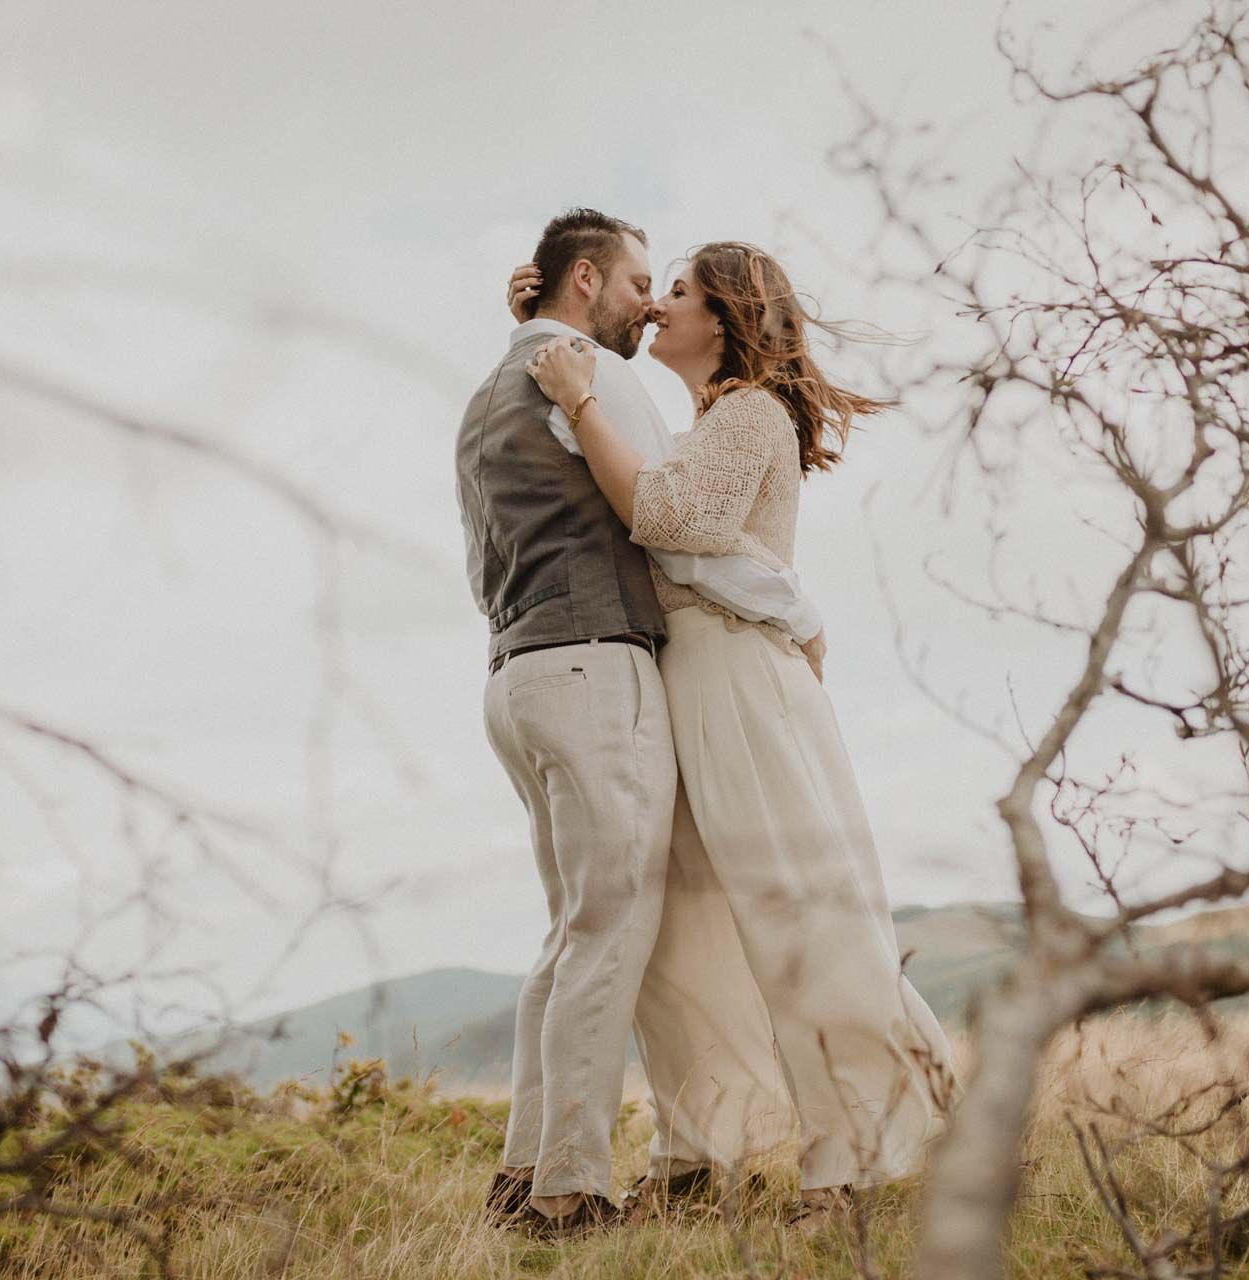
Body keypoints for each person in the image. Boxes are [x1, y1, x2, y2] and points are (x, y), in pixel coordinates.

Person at [513, 240, 956, 1229]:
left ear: (725, 316)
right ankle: (694, 1151)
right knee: (681, 924)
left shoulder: (750, 412)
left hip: (743, 685)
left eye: (678, 291)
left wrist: (580, 395)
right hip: (690, 677)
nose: (660, 304)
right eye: (656, 286)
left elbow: (672, 519)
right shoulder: (710, 419)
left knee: (793, 910)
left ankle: (842, 1168)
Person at [454, 209, 825, 1238]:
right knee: (612, 929)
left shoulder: (488, 392)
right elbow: (673, 517)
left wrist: (528, 318)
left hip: (514, 674)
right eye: (637, 283)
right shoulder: (595, 374)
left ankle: (523, 1170)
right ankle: (570, 1190)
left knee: (572, 930)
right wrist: (799, 611)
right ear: (586, 281)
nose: (648, 305)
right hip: (592, 667)